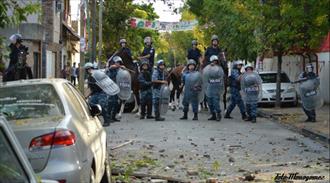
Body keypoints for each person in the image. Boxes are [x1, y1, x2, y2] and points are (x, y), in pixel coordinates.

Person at [84, 62, 111, 126]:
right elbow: (90, 89)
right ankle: (96, 120)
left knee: (102, 105)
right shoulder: (89, 78)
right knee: (90, 105)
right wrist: (85, 96)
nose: (89, 70)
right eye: (87, 69)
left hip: (102, 92)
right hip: (95, 93)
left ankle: (106, 120)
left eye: (90, 69)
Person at [106, 56, 124, 122]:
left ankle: (113, 117)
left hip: (117, 88)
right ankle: (108, 117)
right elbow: (111, 67)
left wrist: (123, 69)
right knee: (110, 102)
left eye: (119, 63)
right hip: (111, 88)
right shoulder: (111, 68)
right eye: (117, 62)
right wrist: (118, 67)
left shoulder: (120, 70)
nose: (118, 64)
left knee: (116, 103)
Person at [206, 55, 223, 121]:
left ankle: (218, 113)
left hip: (216, 87)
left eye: (215, 61)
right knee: (210, 102)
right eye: (213, 61)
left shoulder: (219, 69)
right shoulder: (208, 68)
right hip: (209, 87)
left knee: (215, 102)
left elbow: (221, 77)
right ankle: (213, 115)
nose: (214, 62)